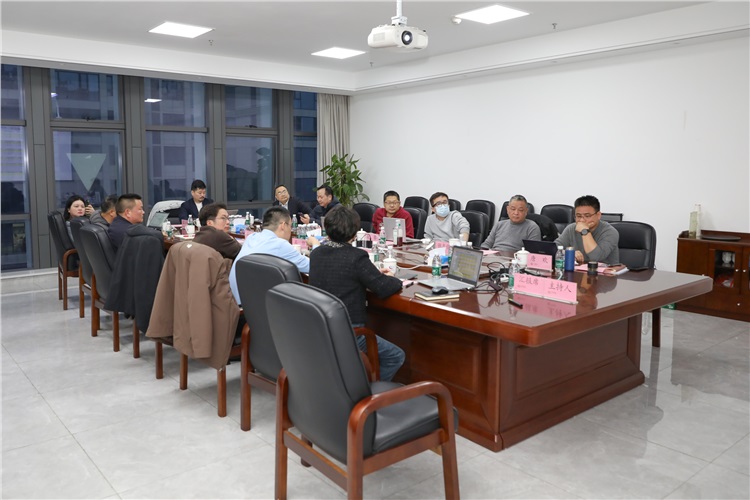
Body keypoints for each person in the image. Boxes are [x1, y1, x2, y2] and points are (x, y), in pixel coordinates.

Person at [308, 205, 405, 382]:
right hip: (350, 331)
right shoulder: (356, 256)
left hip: (321, 328)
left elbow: (342, 273)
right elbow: (383, 288)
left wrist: (372, 274)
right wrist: (394, 279)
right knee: (395, 356)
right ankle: (370, 393)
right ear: (354, 233)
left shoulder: (317, 253)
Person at [229, 207, 318, 304]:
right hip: (255, 304)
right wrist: (315, 244)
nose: (290, 230)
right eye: (290, 226)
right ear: (283, 225)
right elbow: (314, 267)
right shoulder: (280, 245)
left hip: (237, 302)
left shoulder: (251, 237)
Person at [555, 195, 620, 264]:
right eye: (578, 216)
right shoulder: (571, 228)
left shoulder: (610, 232)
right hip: (579, 269)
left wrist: (584, 231)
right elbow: (553, 249)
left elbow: (596, 257)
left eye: (587, 216)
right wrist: (568, 253)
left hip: (605, 270)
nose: (582, 220)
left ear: (598, 215)